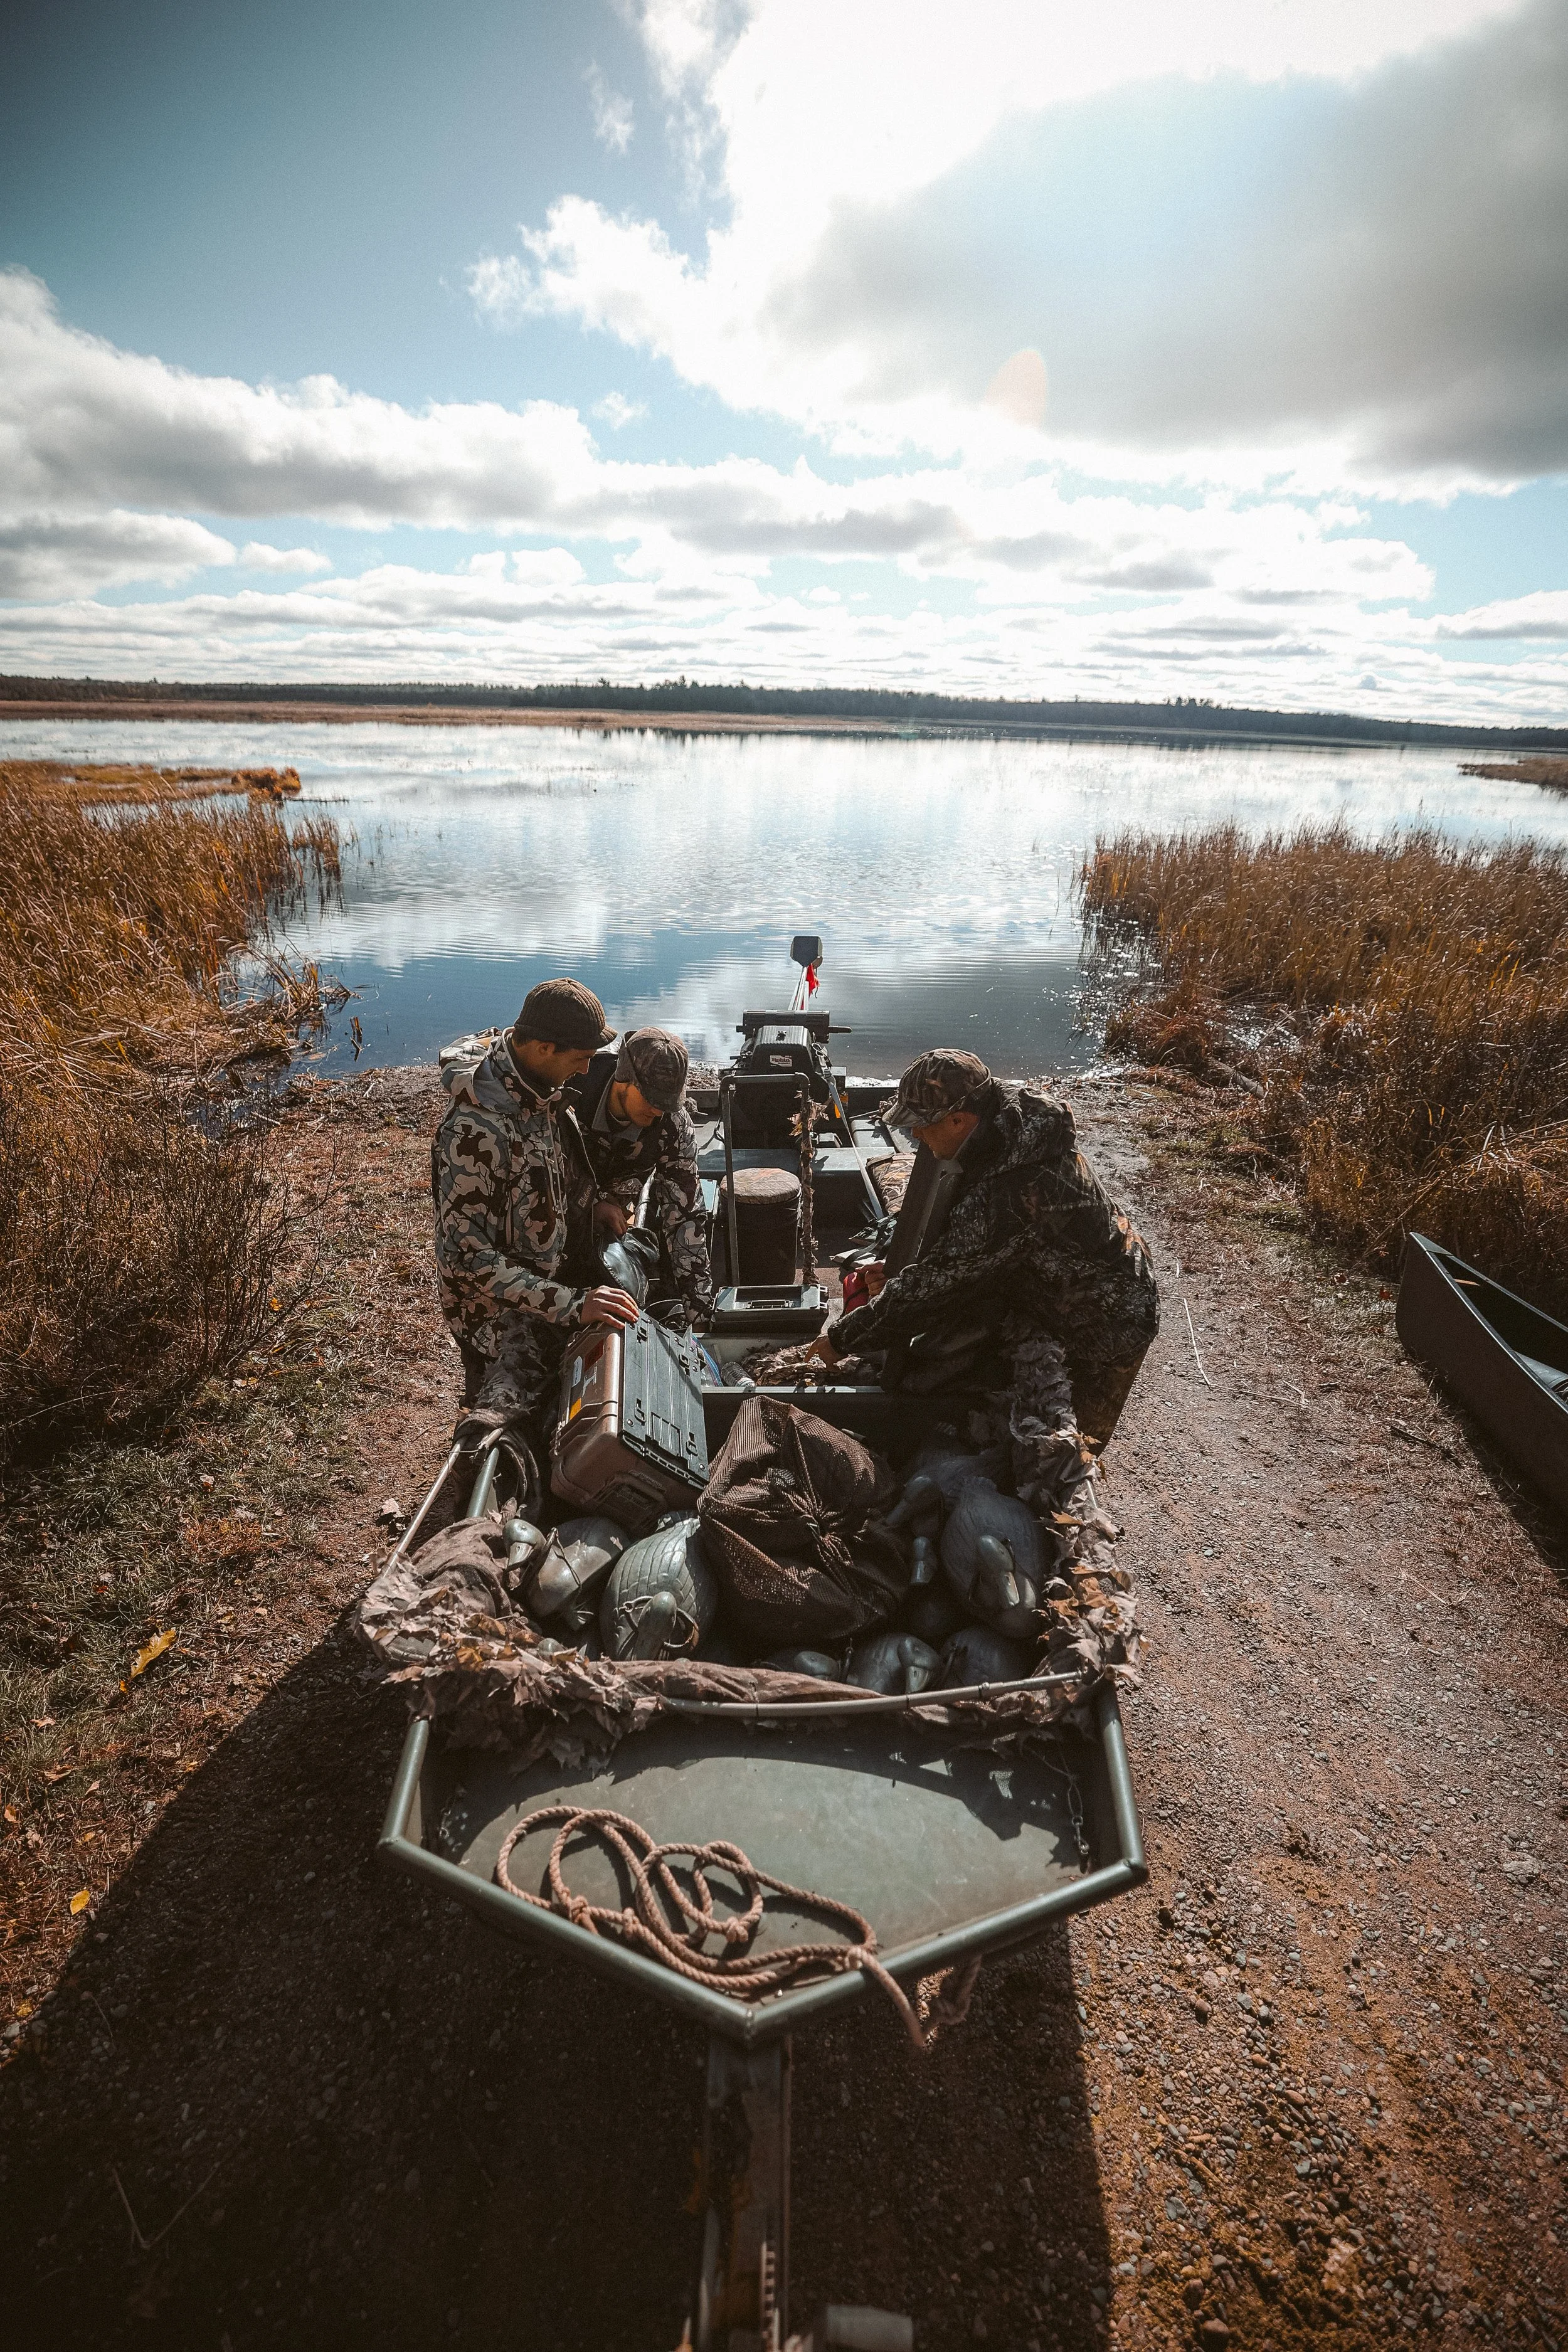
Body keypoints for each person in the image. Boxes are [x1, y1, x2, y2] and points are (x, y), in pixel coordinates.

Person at [808, 1048, 1158, 1509]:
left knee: (1062, 1451)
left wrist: (843, 1338)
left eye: (922, 1122)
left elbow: (938, 1284)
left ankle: (1047, 1532)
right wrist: (898, 1265)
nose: (914, 1133)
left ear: (959, 1120)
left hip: (1108, 1320)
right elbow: (964, 1243)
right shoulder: (1004, 1121)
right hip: (1052, 1286)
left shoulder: (1013, 1187)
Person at [432, 978, 641, 1457]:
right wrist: (571, 1304)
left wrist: (596, 1203)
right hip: (495, 1310)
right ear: (544, 1047)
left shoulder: (536, 1087)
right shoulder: (475, 1130)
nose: (589, 1070)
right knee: (514, 1405)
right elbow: (468, 1259)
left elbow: (548, 1175)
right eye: (581, 1058)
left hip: (546, 1275)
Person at [565, 1026, 714, 1331]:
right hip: (555, 1207)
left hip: (615, 1212)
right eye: (652, 1099)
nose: (659, 1111)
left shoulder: (672, 1127)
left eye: (667, 1102)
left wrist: (699, 1318)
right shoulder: (571, 1093)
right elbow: (533, 1175)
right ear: (624, 1078)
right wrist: (589, 1205)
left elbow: (685, 1219)